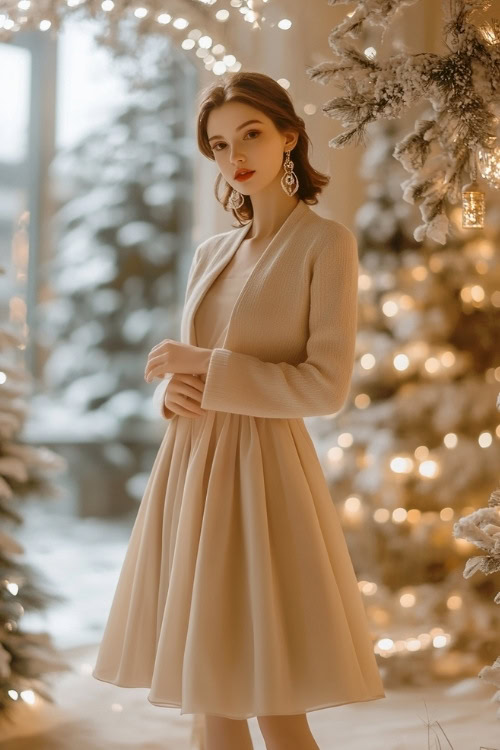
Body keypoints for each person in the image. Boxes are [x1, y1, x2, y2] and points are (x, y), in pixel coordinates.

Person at [92, 71, 386, 750]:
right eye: (220, 145)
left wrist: (203, 368)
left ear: (289, 135)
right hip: (190, 472)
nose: (236, 157)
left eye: (250, 134)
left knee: (274, 704)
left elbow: (324, 387)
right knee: (210, 697)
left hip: (263, 481)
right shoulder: (211, 253)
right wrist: (177, 393)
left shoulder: (326, 244)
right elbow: (199, 366)